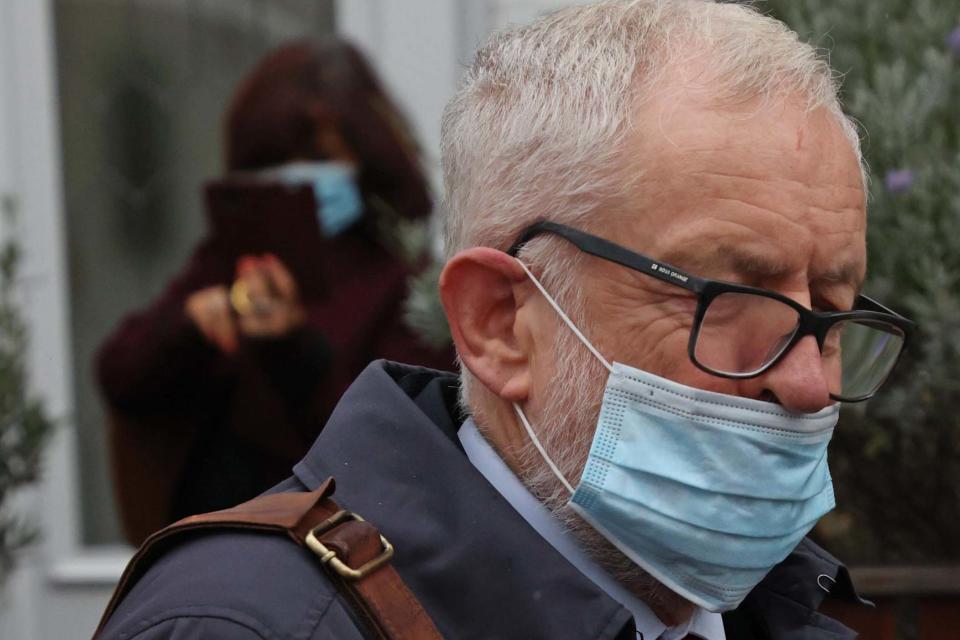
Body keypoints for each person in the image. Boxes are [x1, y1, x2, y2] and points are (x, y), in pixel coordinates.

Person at [95, 2, 916, 638]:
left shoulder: (778, 611)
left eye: (832, 314)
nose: (812, 385)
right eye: (731, 299)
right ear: (497, 324)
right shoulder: (243, 624)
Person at [96, 38, 453, 545]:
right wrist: (189, 327)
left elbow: (393, 448)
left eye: (321, 157)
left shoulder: (405, 284)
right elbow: (120, 375)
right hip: (208, 541)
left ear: (370, 154)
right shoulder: (232, 256)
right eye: (277, 160)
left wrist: (294, 350)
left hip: (335, 554)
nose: (301, 179)